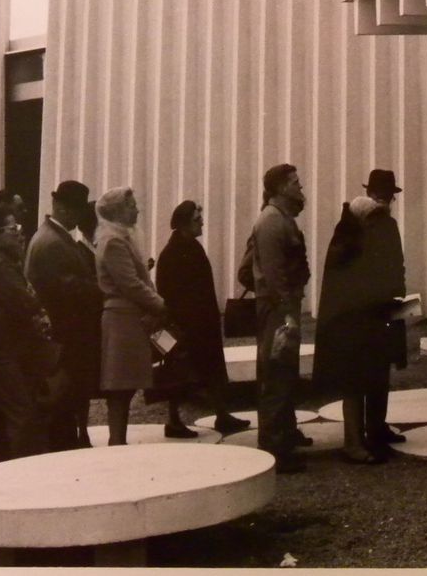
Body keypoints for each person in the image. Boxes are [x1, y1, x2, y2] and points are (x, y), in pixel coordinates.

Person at [314, 170, 409, 463]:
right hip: (365, 315)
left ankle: (370, 432)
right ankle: (357, 440)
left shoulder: (351, 224)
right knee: (363, 377)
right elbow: (389, 267)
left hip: (359, 314)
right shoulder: (375, 224)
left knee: (369, 375)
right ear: (385, 197)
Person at [0, 204, 61, 462]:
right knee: (22, 412)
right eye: (14, 228)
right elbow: (26, 302)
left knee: (0, 412)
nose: (20, 233)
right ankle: (25, 469)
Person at [154, 201, 252, 438]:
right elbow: (168, 291)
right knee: (179, 372)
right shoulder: (173, 253)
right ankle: (174, 420)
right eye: (197, 219)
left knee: (211, 369)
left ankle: (221, 414)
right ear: (185, 223)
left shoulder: (191, 247)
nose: (202, 222)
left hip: (201, 322)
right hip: (187, 325)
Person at [26, 180, 103, 450]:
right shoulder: (52, 242)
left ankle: (68, 441)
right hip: (65, 334)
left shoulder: (53, 236)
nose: (81, 216)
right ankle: (64, 446)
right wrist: (102, 287)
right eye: (78, 210)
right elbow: (67, 288)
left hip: (65, 332)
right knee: (63, 397)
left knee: (68, 397)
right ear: (64, 209)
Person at [251, 163, 312, 472]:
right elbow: (275, 275)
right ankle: (275, 445)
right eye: (295, 183)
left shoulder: (280, 218)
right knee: (277, 372)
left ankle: (285, 432)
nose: (301, 188)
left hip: (283, 306)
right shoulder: (273, 222)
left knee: (285, 370)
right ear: (281, 188)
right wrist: (288, 312)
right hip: (278, 307)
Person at [94, 187, 166, 446]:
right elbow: (130, 284)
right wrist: (160, 305)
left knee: (124, 385)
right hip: (122, 319)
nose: (137, 209)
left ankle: (118, 439)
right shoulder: (113, 241)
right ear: (117, 211)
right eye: (131, 205)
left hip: (127, 317)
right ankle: (117, 441)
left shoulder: (118, 238)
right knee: (120, 386)